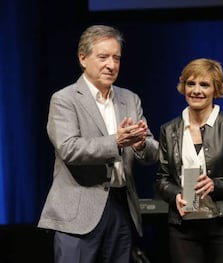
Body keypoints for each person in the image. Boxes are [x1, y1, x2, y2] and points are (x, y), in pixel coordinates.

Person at [38, 25, 159, 263]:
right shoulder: (65, 99)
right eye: (103, 57)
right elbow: (69, 149)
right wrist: (116, 141)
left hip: (121, 206)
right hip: (79, 213)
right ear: (83, 59)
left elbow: (152, 149)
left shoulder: (129, 98)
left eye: (116, 58)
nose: (111, 65)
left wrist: (139, 145)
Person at [155, 58, 223, 263]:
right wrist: (175, 194)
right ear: (183, 87)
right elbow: (162, 179)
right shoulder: (168, 130)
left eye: (204, 85)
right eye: (190, 83)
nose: (196, 90)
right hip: (183, 226)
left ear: (216, 89)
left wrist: (215, 185)